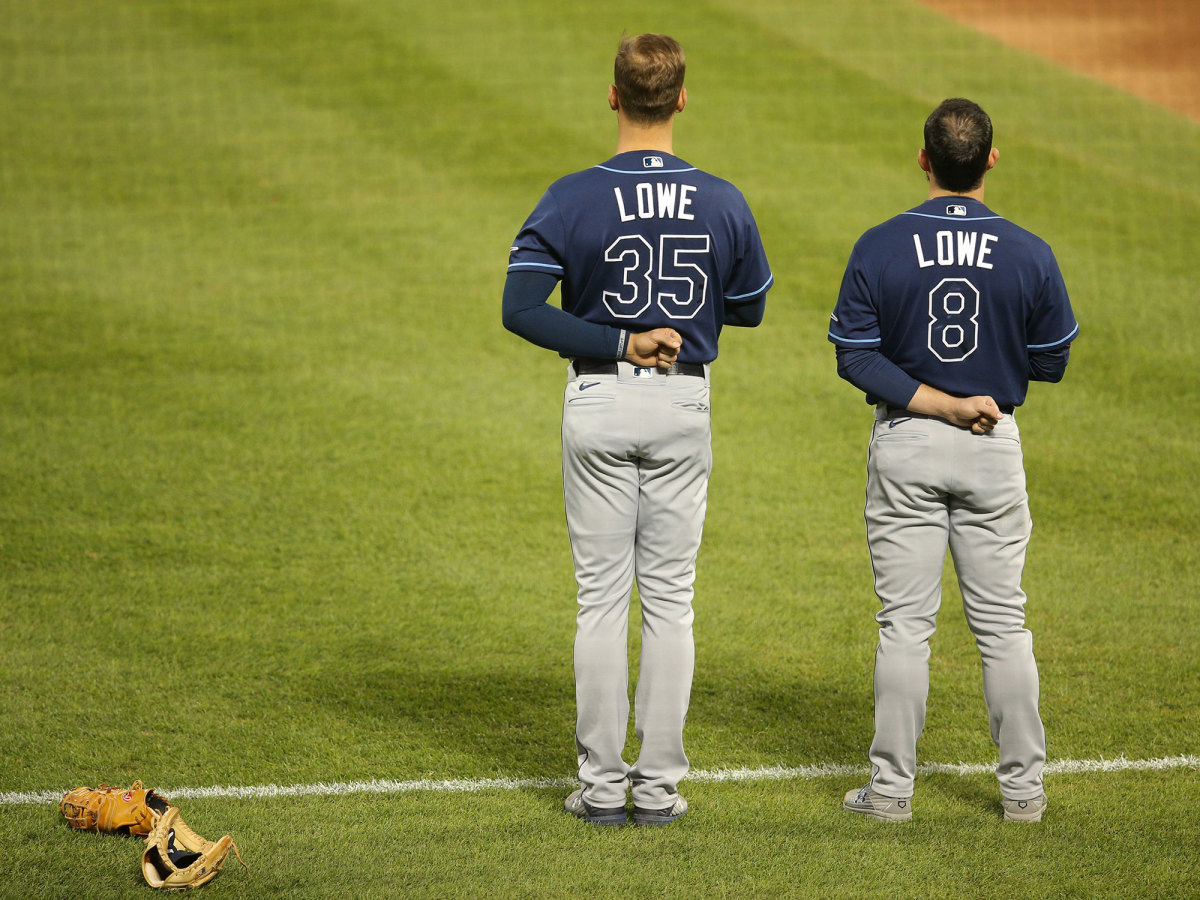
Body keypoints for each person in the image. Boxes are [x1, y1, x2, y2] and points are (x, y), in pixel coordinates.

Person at [502, 33, 772, 827]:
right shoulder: (720, 198)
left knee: (599, 602)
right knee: (672, 603)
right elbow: (750, 306)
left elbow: (520, 310)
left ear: (613, 96)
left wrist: (619, 336)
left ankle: (599, 787)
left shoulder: (573, 194)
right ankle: (657, 790)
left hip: (597, 401)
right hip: (683, 404)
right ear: (681, 99)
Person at [828, 98, 1078, 823]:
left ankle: (891, 794)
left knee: (905, 626)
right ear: (990, 161)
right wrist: (989, 375)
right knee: (1003, 626)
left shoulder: (880, 244)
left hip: (907, 439)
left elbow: (855, 356)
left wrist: (933, 398)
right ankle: (1024, 795)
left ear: (924, 159)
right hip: (992, 443)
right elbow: (1053, 360)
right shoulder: (1029, 251)